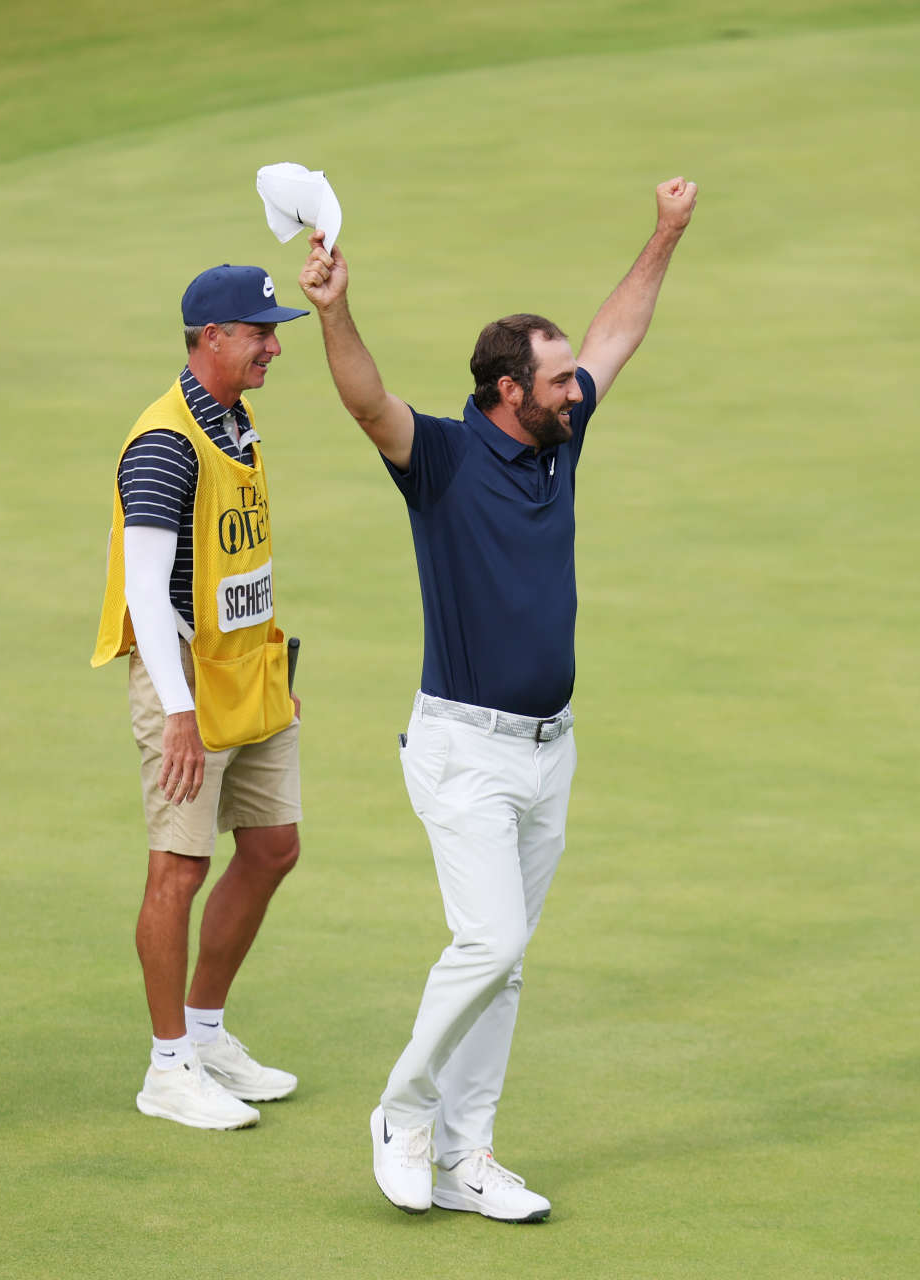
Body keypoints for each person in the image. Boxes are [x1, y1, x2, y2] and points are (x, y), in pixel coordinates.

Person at [297, 178, 698, 1219]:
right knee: (491, 941)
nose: (580, 390)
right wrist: (335, 308)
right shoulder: (438, 457)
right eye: (560, 381)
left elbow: (618, 333)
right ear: (505, 392)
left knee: (505, 964)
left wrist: (664, 233)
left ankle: (469, 1155)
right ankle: (402, 1110)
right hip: (463, 749)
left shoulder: (559, 440)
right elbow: (362, 399)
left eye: (574, 379)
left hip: (548, 750)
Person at [90, 264, 309, 1130]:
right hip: (182, 679)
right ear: (210, 338)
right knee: (179, 867)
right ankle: (168, 1066)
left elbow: (237, 566)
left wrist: (277, 678)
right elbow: (146, 589)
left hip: (248, 669)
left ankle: (209, 1032)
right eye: (260, 332)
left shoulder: (237, 421)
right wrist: (179, 712)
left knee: (272, 849)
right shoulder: (163, 442)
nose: (273, 345)